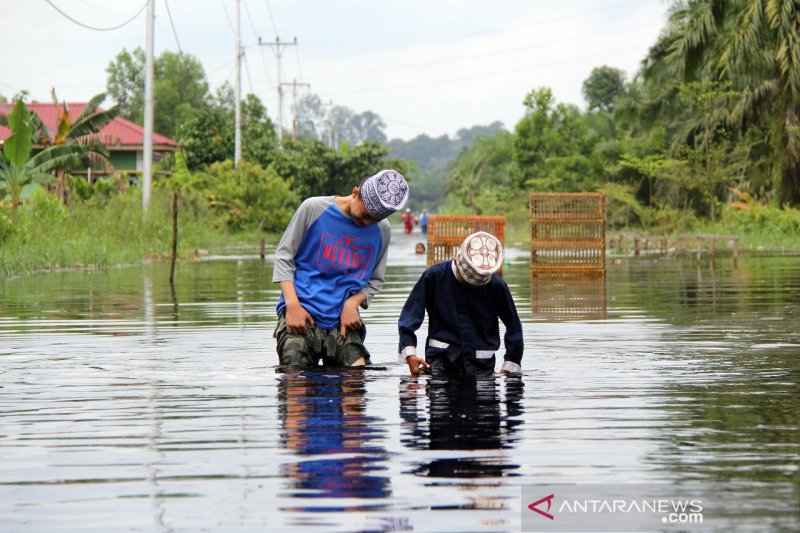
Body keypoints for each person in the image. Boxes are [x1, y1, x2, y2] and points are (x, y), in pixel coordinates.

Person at [273, 169, 409, 370]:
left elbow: (375, 280)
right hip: (302, 311)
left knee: (355, 381)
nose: (367, 223)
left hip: (343, 321)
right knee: (296, 385)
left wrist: (352, 304)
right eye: (364, 215)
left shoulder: (382, 230)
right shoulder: (313, 209)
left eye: (374, 219)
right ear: (355, 192)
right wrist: (292, 306)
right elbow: (284, 257)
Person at [397, 231, 523, 376]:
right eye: (468, 283)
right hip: (440, 360)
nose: (473, 287)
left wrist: (510, 364)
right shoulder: (434, 276)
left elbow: (513, 325)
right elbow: (409, 318)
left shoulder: (496, 285)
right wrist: (410, 354)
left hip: (481, 364)